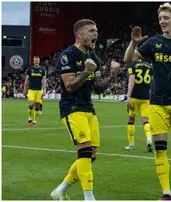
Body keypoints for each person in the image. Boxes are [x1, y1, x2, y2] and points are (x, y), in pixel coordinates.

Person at [123, 3, 171, 200]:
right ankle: (166, 193)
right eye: (160, 19)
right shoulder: (153, 42)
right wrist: (134, 43)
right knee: (160, 149)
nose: (162, 22)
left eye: (166, 18)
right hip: (157, 102)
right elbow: (128, 59)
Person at [50, 19, 120, 200]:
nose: (96, 34)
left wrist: (112, 75)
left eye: (96, 31)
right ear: (80, 35)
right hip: (72, 108)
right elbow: (69, 86)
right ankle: (89, 197)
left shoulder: (94, 57)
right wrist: (86, 71)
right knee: (85, 151)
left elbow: (98, 88)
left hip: (89, 108)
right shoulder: (68, 55)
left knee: (92, 155)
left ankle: (60, 190)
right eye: (91, 31)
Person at [125, 59, 153, 152]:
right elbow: (152, 81)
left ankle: (131, 144)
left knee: (131, 120)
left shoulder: (132, 65)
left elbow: (131, 81)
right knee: (146, 120)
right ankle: (149, 138)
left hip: (134, 96)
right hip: (146, 97)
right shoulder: (149, 65)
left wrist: (128, 96)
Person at [23, 56, 46, 126]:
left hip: (39, 90)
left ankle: (34, 121)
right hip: (31, 90)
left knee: (37, 106)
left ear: (39, 61)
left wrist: (44, 89)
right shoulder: (29, 69)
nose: (36, 61)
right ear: (33, 61)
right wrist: (25, 89)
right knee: (31, 104)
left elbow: (44, 80)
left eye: (37, 60)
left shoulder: (43, 70)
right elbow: (26, 80)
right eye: (35, 60)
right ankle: (30, 118)